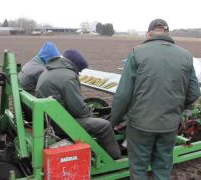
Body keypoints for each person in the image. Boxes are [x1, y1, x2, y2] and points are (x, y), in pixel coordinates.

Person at [110, 19, 200, 180]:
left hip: (140, 125)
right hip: (169, 125)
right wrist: (177, 108)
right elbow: (194, 92)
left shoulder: (137, 53)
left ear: (149, 33)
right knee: (163, 167)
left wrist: (113, 121)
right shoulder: (186, 56)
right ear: (167, 33)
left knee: (138, 168)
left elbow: (123, 95)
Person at [35, 49, 121, 159]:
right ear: (76, 66)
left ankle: (95, 149)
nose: (79, 73)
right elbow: (79, 111)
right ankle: (114, 159)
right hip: (60, 124)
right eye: (79, 71)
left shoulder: (49, 70)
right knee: (104, 125)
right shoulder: (68, 77)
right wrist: (91, 114)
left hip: (49, 119)